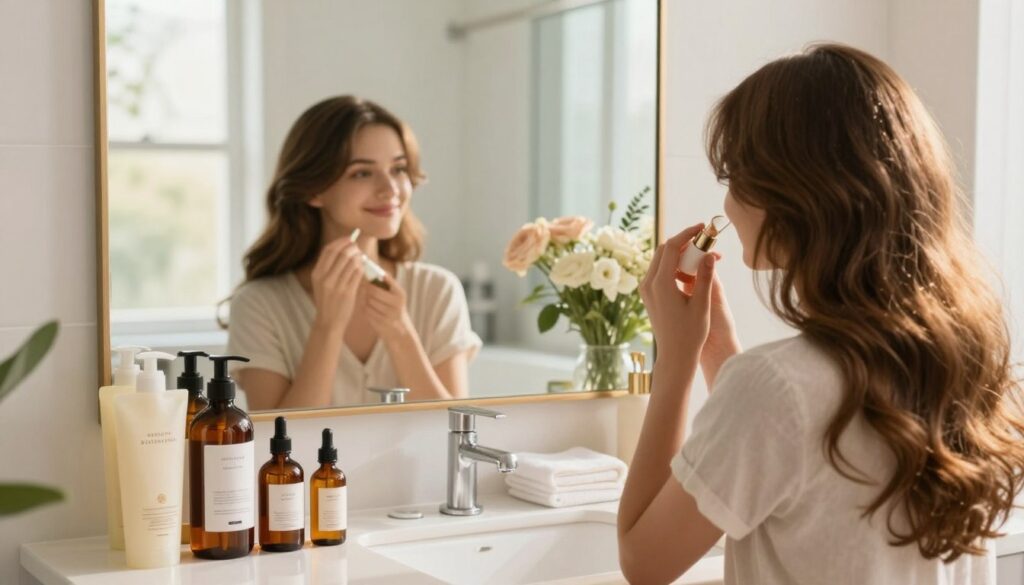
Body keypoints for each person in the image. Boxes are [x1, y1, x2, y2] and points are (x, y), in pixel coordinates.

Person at [617, 43, 1024, 584]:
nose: (729, 206)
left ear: (793, 197)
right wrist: (716, 348)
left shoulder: (774, 386)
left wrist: (675, 362)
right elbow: (794, 450)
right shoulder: (959, 361)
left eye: (736, 177)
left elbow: (644, 563)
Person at [226, 96, 480, 409]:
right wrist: (327, 326)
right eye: (362, 173)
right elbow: (276, 447)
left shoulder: (437, 291)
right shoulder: (259, 305)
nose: (390, 189)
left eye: (399, 169)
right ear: (313, 189)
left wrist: (399, 331)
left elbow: (455, 434)